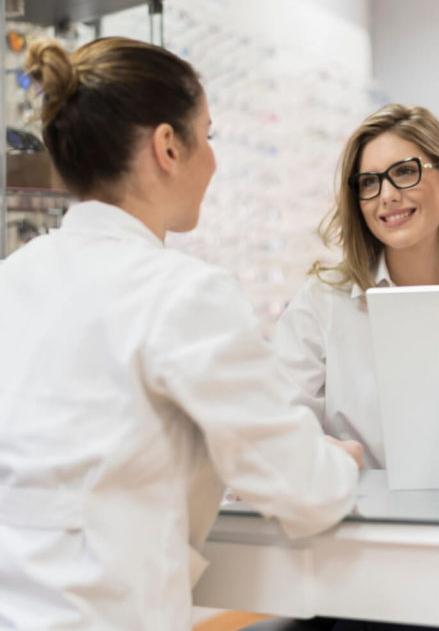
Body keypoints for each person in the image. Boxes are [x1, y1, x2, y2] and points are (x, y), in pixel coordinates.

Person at [0, 37, 364, 631]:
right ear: (168, 146)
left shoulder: (11, 280)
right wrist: (340, 460)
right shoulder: (183, 294)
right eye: (209, 136)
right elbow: (304, 490)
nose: (214, 161)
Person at [274, 104, 439, 470]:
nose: (386, 195)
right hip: (359, 519)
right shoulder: (321, 304)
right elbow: (278, 429)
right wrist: (314, 452)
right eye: (369, 182)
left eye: (404, 172)